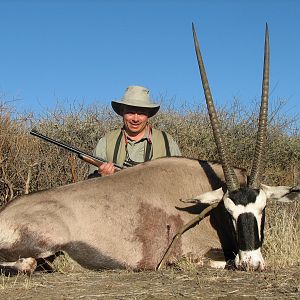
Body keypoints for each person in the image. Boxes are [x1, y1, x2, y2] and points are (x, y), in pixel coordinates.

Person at [88, 85, 181, 177]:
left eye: (141, 113)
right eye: (131, 112)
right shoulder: (106, 142)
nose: (135, 119)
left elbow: (180, 177)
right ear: (122, 112)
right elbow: (90, 183)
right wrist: (102, 178)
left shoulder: (167, 142)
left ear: (148, 115)